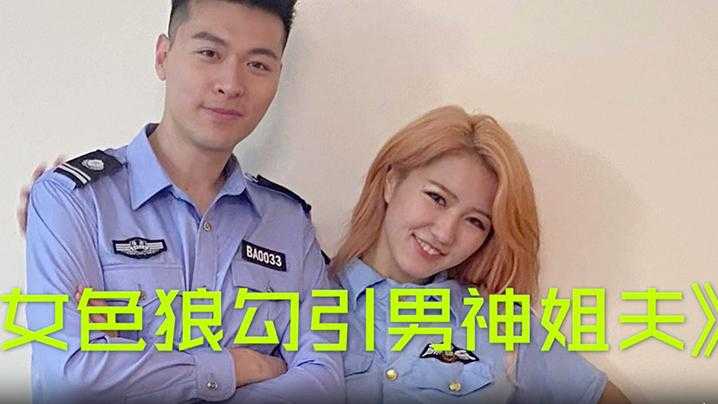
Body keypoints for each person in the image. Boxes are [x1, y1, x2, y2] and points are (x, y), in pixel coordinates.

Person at [22, 1, 343, 403]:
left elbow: (322, 381)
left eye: (258, 65)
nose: (231, 84)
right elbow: (72, 376)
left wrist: (132, 371)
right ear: (163, 57)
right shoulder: (74, 201)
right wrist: (239, 367)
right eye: (210, 53)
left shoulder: (288, 223)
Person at [329, 105, 631, 403]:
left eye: (475, 221)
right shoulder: (311, 296)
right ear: (391, 182)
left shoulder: (501, 323)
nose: (445, 233)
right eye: (437, 198)